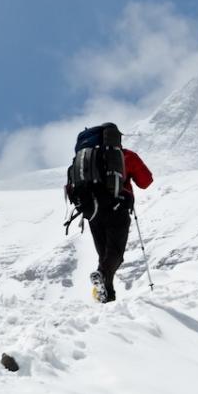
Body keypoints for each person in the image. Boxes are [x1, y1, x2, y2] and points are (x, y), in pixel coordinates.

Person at [65, 124, 154, 303]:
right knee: (115, 254)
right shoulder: (125, 155)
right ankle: (102, 277)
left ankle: (106, 296)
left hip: (92, 211)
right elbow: (146, 181)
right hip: (117, 208)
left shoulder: (84, 159)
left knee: (104, 255)